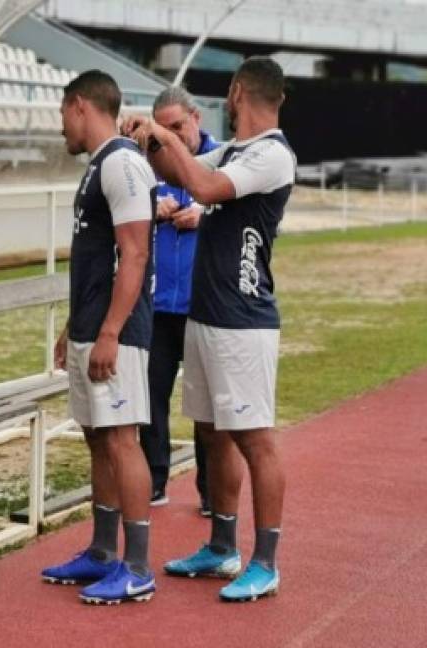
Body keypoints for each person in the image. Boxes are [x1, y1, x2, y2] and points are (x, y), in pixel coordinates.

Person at [123, 56, 295, 602]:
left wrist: (160, 133)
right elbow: (178, 172)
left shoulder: (272, 153)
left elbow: (201, 182)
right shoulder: (238, 150)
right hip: (208, 314)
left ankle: (265, 561)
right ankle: (222, 546)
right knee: (213, 432)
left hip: (244, 322)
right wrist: (149, 142)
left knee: (254, 438)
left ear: (237, 91)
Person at [40, 70, 158, 605]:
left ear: (80, 106)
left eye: (63, 113)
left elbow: (134, 253)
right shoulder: (98, 167)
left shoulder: (124, 162)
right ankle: (102, 551)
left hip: (119, 332)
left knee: (120, 439)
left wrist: (110, 331)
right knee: (96, 437)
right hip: (92, 326)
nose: (62, 125)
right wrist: (76, 326)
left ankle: (136, 567)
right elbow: (97, 260)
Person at [140, 86, 218, 515]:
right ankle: (154, 481)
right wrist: (152, 203)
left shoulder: (224, 157)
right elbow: (123, 206)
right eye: (163, 129)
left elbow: (245, 212)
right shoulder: (145, 161)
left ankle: (209, 490)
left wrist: (205, 216)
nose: (171, 135)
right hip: (156, 305)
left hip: (202, 305)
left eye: (177, 127)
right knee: (151, 397)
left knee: (205, 405)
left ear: (196, 119)